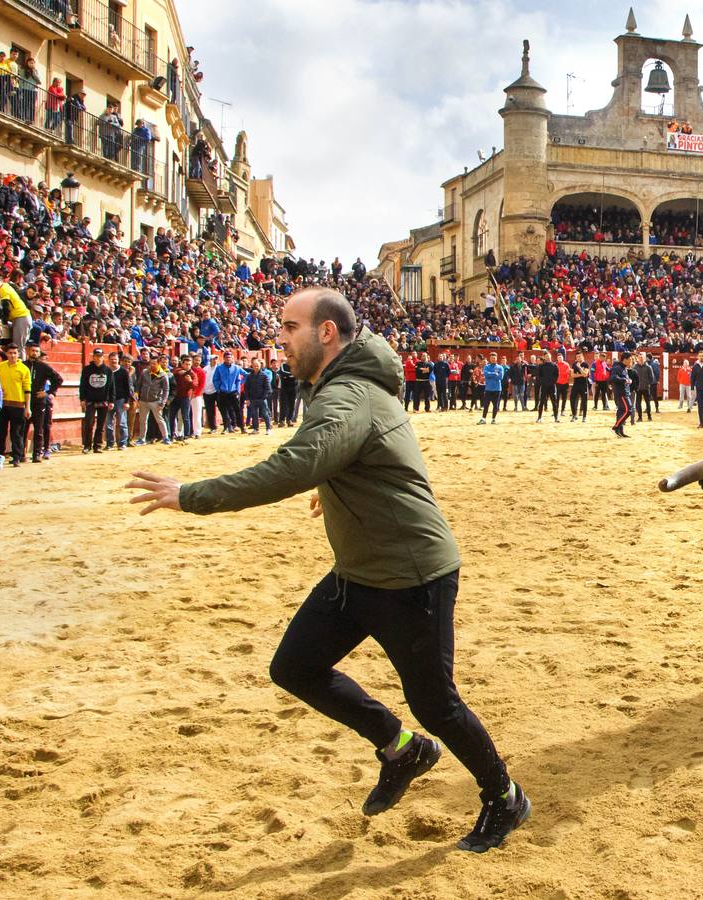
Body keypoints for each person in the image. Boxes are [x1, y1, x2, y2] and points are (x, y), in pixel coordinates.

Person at [124, 287, 529, 853]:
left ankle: (504, 796)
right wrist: (338, 483)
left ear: (327, 333)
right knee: (295, 666)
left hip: (411, 576)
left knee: (436, 704)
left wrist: (192, 494)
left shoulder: (347, 393)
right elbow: (362, 454)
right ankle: (402, 747)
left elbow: (296, 464)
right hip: (359, 571)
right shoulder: (345, 385)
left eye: (290, 328)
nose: (281, 339)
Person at [0, 344, 32, 466]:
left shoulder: (24, 369)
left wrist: (28, 407)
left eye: (15, 353)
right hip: (3, 404)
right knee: (0, 432)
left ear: (18, 354)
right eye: (10, 353)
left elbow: (27, 390)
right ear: (6, 354)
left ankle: (17, 457)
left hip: (18, 405)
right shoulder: (0, 367)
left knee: (16, 433)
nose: (12, 355)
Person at [25, 345, 63, 462]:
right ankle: (21, 454)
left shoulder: (43, 367)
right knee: (22, 428)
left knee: (39, 428)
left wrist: (48, 392)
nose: (34, 353)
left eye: (37, 351)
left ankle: (37, 454)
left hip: (39, 400)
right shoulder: (23, 365)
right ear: (28, 351)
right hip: (24, 400)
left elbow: (58, 379)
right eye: (33, 351)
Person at [79, 347, 112, 452]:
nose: (98, 358)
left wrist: (111, 400)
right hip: (90, 399)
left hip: (103, 400)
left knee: (100, 425)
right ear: (93, 357)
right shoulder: (87, 369)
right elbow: (83, 384)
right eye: (96, 356)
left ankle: (97, 445)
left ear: (103, 357)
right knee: (89, 423)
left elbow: (111, 386)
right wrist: (82, 398)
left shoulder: (108, 370)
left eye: (100, 356)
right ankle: (87, 446)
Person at [244, 357, 274, 432]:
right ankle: (256, 429)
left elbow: (268, 388)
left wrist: (264, 397)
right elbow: (246, 388)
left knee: (265, 413)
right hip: (253, 398)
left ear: (260, 366)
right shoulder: (249, 376)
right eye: (254, 366)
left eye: (257, 366)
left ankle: (268, 428)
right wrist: (247, 398)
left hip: (262, 398)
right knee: (254, 414)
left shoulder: (264, 375)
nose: (256, 367)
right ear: (252, 366)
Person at [610, 352, 633, 438]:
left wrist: (628, 380)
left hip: (624, 392)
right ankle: (616, 427)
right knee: (628, 410)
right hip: (621, 393)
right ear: (625, 359)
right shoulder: (617, 368)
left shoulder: (624, 368)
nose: (631, 361)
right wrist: (624, 380)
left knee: (621, 411)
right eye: (630, 359)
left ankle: (620, 431)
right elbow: (613, 378)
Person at [478, 355, 504, 424]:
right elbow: (486, 374)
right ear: (490, 359)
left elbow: (500, 377)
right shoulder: (486, 367)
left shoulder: (500, 367)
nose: (493, 359)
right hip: (488, 389)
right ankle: (483, 419)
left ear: (496, 359)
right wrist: (495, 374)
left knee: (495, 405)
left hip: (497, 389)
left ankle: (493, 419)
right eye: (492, 358)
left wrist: (490, 375)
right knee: (486, 405)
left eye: (494, 358)